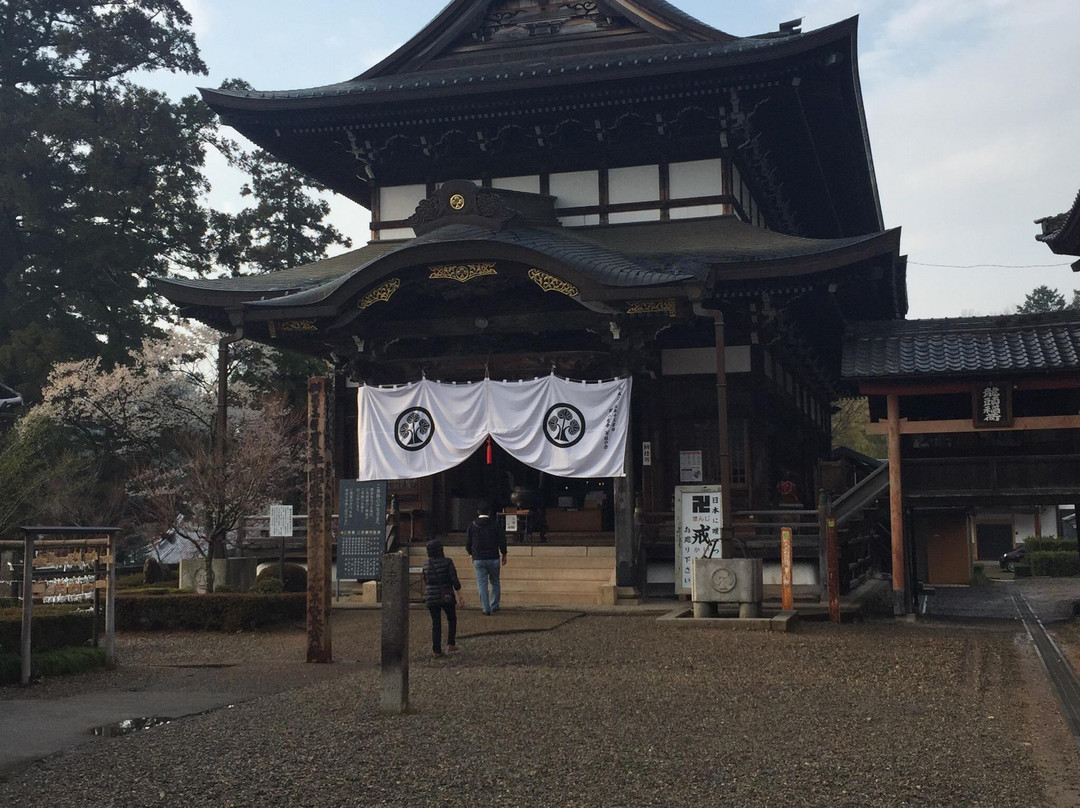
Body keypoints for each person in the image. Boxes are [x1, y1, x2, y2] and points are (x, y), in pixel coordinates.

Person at [422, 539, 464, 656]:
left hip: (431, 595)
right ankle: (451, 643)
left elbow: (425, 580)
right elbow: (453, 579)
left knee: (436, 623)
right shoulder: (448, 562)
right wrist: (459, 594)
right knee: (451, 618)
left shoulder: (426, 564)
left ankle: (436, 650)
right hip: (446, 594)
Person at [466, 501, 507, 615]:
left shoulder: (472, 525)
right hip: (493, 557)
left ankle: (485, 607)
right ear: (489, 512)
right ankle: (494, 604)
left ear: (478, 512)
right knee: (495, 582)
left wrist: (471, 553)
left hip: (478, 558)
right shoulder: (495, 525)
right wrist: (504, 553)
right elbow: (502, 540)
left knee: (482, 584)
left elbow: (468, 543)